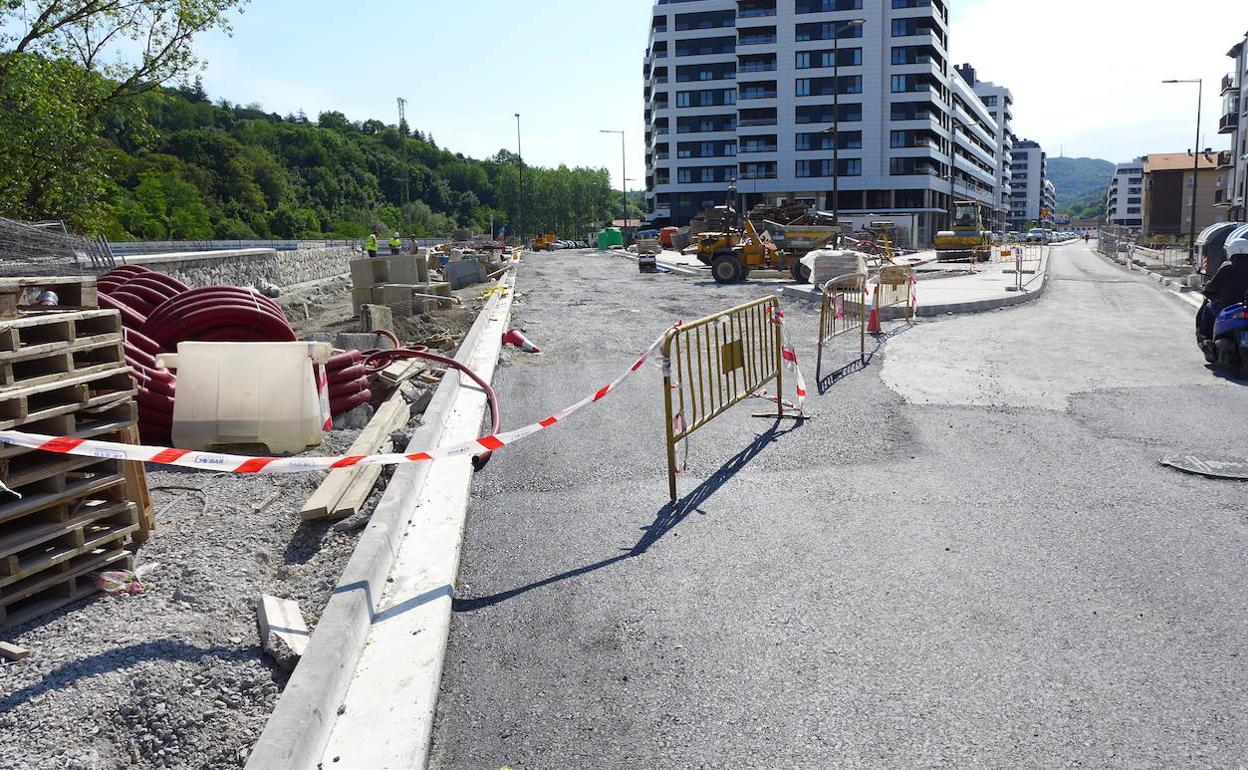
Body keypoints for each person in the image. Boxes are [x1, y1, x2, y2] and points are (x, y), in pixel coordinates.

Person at [1198, 237, 1248, 337]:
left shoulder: (1228, 266)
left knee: (1208, 307)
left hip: (1228, 306)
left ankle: (1204, 336)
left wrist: (1207, 288)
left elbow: (1213, 285)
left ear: (1231, 250)